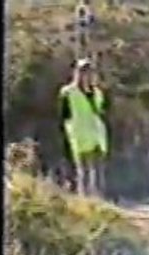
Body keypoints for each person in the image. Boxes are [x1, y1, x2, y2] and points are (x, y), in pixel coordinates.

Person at [59, 58, 109, 196]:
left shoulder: (98, 93)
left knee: (97, 174)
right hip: (79, 137)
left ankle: (98, 202)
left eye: (89, 72)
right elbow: (63, 116)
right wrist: (66, 136)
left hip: (97, 137)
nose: (86, 75)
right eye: (82, 72)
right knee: (83, 173)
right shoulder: (68, 92)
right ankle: (85, 203)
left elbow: (102, 113)